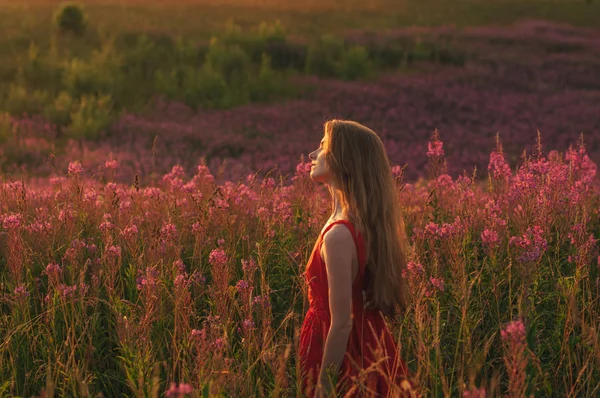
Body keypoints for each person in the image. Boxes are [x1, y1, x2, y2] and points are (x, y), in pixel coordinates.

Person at [299, 120, 413, 397]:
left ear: (344, 159)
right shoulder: (362, 223)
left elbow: (341, 323)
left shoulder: (339, 234)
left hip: (345, 355)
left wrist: (324, 387)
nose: (313, 154)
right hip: (371, 342)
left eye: (323, 146)